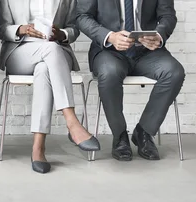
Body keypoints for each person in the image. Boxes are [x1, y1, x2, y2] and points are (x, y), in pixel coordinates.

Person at [0, 0, 100, 174]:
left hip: (56, 52)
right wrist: (20, 29)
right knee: (50, 51)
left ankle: (38, 148)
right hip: (20, 50)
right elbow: (0, 27)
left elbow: (73, 29)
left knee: (44, 67)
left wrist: (62, 34)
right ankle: (72, 122)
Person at [77, 0, 185, 161]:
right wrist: (109, 36)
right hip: (109, 51)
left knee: (174, 72)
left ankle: (144, 132)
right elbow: (82, 17)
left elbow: (168, 16)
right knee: (109, 73)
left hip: (148, 52)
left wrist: (158, 35)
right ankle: (120, 136)